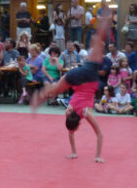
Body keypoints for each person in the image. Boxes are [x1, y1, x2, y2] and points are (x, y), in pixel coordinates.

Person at [33, 18, 112, 163]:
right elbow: (76, 133)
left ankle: (103, 27)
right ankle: (41, 97)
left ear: (78, 124)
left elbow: (99, 134)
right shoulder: (68, 112)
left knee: (98, 45)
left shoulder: (84, 113)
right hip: (76, 75)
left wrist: (97, 156)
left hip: (88, 78)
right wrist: (77, 153)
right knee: (55, 89)